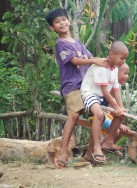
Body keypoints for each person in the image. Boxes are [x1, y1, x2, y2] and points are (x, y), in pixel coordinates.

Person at [45, 8, 108, 168]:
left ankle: (91, 153)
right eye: (57, 22)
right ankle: (64, 151)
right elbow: (75, 61)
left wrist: (105, 60)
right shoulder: (61, 43)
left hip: (86, 86)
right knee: (73, 116)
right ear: (52, 28)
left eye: (64, 19)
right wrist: (95, 61)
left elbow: (90, 57)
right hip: (72, 86)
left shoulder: (78, 43)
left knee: (97, 116)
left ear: (68, 20)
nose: (62, 23)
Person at [81, 41, 128, 162]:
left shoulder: (115, 69)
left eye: (125, 59)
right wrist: (115, 107)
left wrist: (120, 108)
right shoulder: (101, 67)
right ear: (112, 54)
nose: (123, 61)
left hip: (100, 97)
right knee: (99, 114)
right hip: (89, 93)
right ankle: (97, 148)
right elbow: (106, 91)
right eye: (121, 58)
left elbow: (116, 89)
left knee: (121, 114)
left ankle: (108, 141)